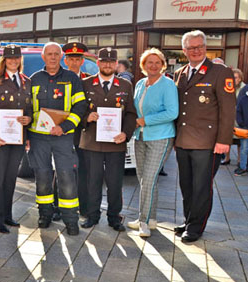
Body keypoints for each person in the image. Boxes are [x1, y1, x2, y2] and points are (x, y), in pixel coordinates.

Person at [174, 30, 236, 242]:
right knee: (186, 185)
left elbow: (228, 110)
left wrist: (224, 141)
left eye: (200, 46)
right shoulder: (180, 73)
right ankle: (188, 218)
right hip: (183, 140)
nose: (196, 51)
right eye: (191, 48)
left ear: (205, 48)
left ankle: (196, 227)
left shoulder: (220, 72)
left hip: (208, 143)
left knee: (201, 187)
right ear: (184, 51)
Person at [28, 42, 88, 235]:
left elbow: (80, 107)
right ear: (43, 57)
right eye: (49, 54)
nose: (53, 57)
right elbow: (28, 108)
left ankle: (71, 220)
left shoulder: (71, 78)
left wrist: (64, 127)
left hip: (63, 137)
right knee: (43, 177)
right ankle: (45, 214)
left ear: (61, 57)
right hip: (38, 138)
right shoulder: (34, 79)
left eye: (56, 54)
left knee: (66, 177)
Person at [79, 48, 137, 232]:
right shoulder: (86, 83)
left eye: (111, 62)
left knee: (114, 183)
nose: (107, 65)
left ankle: (114, 217)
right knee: (92, 181)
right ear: (98, 63)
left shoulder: (125, 85)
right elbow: (77, 108)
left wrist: (126, 134)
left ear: (116, 64)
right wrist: (86, 117)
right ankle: (92, 215)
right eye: (104, 61)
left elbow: (130, 114)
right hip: (91, 142)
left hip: (115, 143)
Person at [127, 48, 178, 237]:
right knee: (145, 180)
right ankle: (152, 218)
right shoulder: (141, 83)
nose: (153, 65)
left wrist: (146, 120)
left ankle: (144, 221)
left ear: (163, 65)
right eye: (150, 62)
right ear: (143, 65)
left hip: (160, 137)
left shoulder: (168, 84)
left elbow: (172, 112)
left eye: (157, 62)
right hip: (140, 136)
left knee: (148, 179)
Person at [0, 44, 32, 233]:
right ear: (4, 60)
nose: (13, 61)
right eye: (10, 58)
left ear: (20, 60)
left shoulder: (26, 81)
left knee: (11, 177)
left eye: (16, 58)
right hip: (0, 138)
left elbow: (28, 110)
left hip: (18, 138)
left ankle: (7, 214)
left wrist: (29, 120)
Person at [62, 42, 90, 217]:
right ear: (65, 60)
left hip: (83, 132)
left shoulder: (88, 80)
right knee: (61, 169)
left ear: (82, 61)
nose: (74, 62)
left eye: (78, 59)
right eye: (71, 59)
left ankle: (84, 206)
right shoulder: (59, 77)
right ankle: (59, 206)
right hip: (62, 131)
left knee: (83, 169)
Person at [224, 68, 246, 166]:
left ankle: (239, 160)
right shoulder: (228, 86)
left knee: (240, 141)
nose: (234, 79)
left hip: (239, 118)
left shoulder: (244, 88)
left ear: (240, 78)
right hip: (229, 117)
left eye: (236, 78)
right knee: (227, 139)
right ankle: (227, 158)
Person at [235, 83, 248, 176]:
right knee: (244, 148)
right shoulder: (244, 97)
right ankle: (243, 167)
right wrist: (241, 123)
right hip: (245, 128)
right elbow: (238, 111)